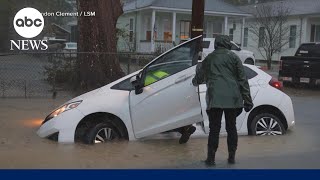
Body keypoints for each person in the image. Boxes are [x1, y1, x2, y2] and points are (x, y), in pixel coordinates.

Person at [192, 35, 253, 166]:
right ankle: (231, 157)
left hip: (215, 98)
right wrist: (248, 100)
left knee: (214, 128)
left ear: (216, 44)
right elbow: (243, 80)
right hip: (233, 98)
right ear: (228, 44)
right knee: (232, 127)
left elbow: (199, 78)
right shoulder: (234, 58)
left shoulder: (209, 59)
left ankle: (211, 159)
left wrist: (194, 81)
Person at [144, 69, 196, 144]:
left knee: (164, 121)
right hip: (171, 98)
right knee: (174, 117)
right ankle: (186, 128)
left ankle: (183, 130)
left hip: (157, 103)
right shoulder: (162, 73)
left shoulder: (146, 78)